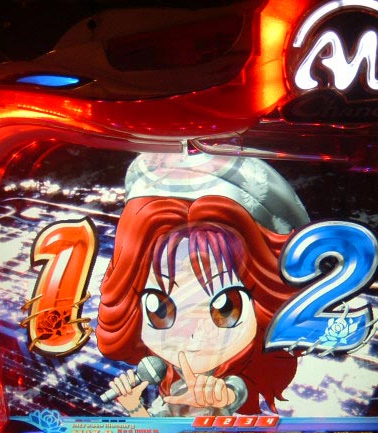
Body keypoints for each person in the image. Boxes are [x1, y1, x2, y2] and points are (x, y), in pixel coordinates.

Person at [95, 154, 310, 417]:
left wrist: (225, 396)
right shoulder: (168, 375)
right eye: (160, 310)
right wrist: (135, 407)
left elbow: (240, 388)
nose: (192, 335)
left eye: (226, 309)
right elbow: (163, 431)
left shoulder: (251, 372)